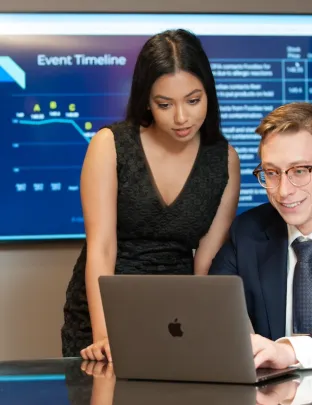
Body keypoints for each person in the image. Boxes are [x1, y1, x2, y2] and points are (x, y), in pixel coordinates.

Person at [61, 29, 240, 361]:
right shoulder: (110, 145)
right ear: (146, 99)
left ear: (209, 94)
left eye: (193, 99)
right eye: (165, 104)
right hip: (102, 308)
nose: (182, 117)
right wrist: (103, 337)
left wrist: (197, 325)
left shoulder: (224, 159)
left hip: (176, 314)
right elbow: (101, 246)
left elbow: (206, 262)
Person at [209, 102, 312, 371]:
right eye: (271, 173)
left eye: (299, 171)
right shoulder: (248, 232)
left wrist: (290, 351)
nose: (283, 191)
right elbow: (211, 311)